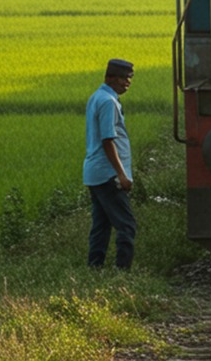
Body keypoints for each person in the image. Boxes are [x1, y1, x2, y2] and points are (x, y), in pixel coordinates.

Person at [84, 58, 137, 270]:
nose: (127, 83)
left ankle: (94, 268)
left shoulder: (97, 97)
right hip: (107, 174)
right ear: (111, 78)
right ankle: (122, 272)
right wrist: (121, 174)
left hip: (94, 173)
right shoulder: (108, 102)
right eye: (124, 78)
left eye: (129, 79)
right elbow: (108, 139)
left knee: (101, 225)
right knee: (127, 225)